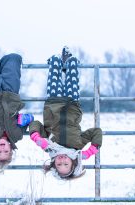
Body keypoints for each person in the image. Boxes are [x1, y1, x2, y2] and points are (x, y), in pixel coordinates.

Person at [29, 46, 103, 180]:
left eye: (59, 164)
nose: (62, 160)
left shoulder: (48, 147)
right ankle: (69, 59)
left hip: (53, 102)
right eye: (66, 164)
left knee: (54, 67)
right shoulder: (78, 146)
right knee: (73, 72)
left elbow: (35, 123)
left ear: (53, 163)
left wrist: (36, 137)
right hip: (72, 103)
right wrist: (91, 151)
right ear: (73, 162)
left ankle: (57, 61)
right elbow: (96, 132)